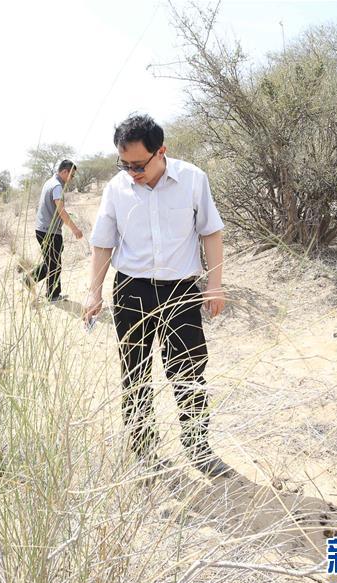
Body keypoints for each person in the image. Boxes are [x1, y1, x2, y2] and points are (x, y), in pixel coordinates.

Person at [82, 114, 230, 477]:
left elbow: (210, 232)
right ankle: (144, 450)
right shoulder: (116, 189)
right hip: (131, 289)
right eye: (124, 164)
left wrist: (215, 284)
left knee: (189, 369)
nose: (132, 172)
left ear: (161, 151)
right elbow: (103, 243)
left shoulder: (193, 179)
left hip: (180, 290)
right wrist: (93, 292)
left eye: (138, 165)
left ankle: (197, 446)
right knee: (134, 371)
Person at [24, 160, 82, 302]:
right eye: (72, 175)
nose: (72, 178)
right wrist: (75, 229)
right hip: (49, 231)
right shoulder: (57, 186)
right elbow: (61, 210)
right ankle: (53, 295)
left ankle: (30, 280)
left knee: (51, 262)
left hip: (41, 229)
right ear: (64, 171)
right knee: (55, 264)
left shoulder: (49, 182)